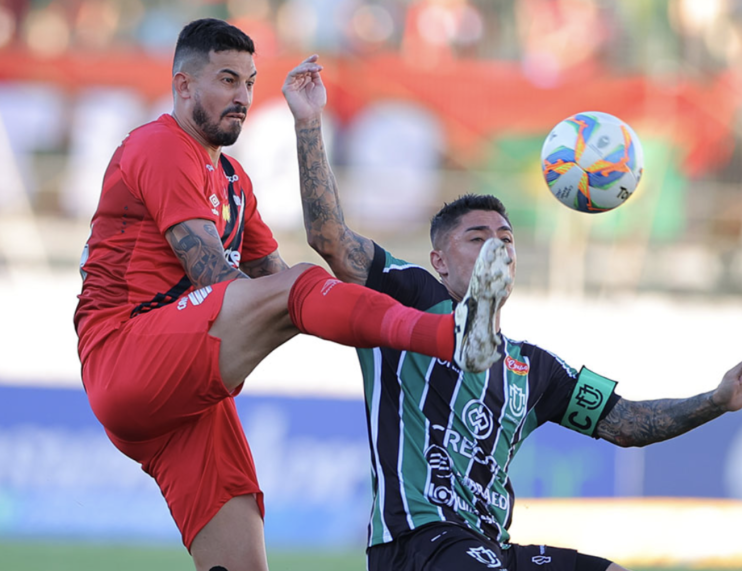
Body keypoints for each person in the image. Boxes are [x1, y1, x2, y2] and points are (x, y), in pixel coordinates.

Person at [282, 57, 742, 571]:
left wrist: (718, 399)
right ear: (439, 260)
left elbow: (627, 424)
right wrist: (309, 122)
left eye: (506, 239)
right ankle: (466, 334)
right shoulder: (408, 295)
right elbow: (329, 238)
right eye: (477, 237)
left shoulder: (535, 370)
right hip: (418, 540)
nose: (496, 247)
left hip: (489, 545)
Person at [73, 19, 510, 571]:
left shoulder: (233, 182)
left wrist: (308, 124)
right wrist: (316, 312)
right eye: (227, 80)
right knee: (298, 286)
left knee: (242, 561)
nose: (242, 97)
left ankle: (434, 332)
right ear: (182, 85)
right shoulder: (160, 145)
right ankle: (451, 334)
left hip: (182, 401)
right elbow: (230, 280)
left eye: (250, 83)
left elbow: (289, 277)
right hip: (126, 353)